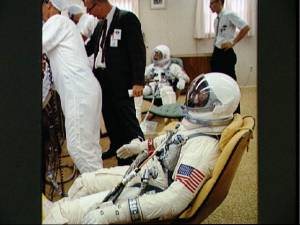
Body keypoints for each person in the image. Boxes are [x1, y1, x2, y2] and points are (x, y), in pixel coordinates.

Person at [43, 72, 241, 224]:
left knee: (62, 214)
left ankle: (62, 213)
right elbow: (171, 141)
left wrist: (111, 213)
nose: (194, 99)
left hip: (148, 191)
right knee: (83, 182)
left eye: (201, 98)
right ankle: (68, 209)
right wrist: (139, 146)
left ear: (217, 106)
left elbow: (173, 201)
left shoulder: (202, 147)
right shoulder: (197, 128)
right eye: (195, 94)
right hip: (146, 173)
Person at [42, 0, 103, 174]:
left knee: (79, 149)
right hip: (85, 90)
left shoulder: (57, 21)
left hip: (78, 92)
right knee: (89, 148)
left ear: (48, 5)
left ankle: (100, 194)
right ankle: (100, 187)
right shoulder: (66, 25)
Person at [83, 0, 146, 165]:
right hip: (102, 81)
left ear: (99, 3)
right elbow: (88, 49)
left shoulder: (126, 19)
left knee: (127, 120)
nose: (89, 13)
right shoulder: (100, 25)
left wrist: (138, 81)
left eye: (90, 8)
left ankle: (139, 151)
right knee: (110, 118)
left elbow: (137, 51)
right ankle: (118, 148)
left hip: (121, 81)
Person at [209, 0, 250, 113]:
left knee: (230, 84)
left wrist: (232, 42)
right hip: (217, 53)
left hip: (226, 55)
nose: (210, 6)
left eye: (212, 3)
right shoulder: (216, 20)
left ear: (220, 2)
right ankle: (223, 111)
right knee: (217, 84)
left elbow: (246, 27)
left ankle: (236, 113)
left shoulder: (229, 15)